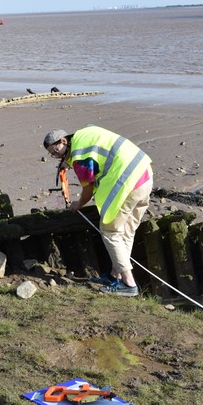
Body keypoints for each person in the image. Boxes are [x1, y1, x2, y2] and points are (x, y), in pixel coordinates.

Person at [43, 126, 153, 297]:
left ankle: (128, 284)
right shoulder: (84, 134)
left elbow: (88, 189)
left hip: (127, 184)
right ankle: (114, 277)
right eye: (53, 154)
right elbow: (97, 154)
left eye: (56, 151)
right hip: (144, 174)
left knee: (110, 232)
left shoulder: (79, 158)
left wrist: (77, 204)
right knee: (126, 232)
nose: (56, 156)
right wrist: (68, 161)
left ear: (64, 141)